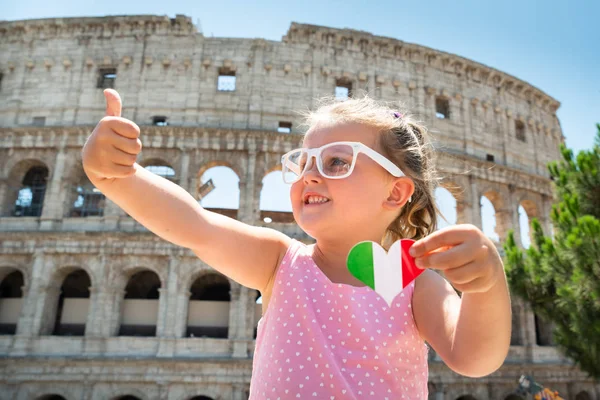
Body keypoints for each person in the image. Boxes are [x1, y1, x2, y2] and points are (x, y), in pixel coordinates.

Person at [82, 89, 512, 399]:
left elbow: (473, 358)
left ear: (395, 194)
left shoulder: (412, 282)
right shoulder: (279, 261)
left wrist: (486, 286)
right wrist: (117, 178)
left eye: (337, 162)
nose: (309, 173)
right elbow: (194, 223)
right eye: (302, 162)